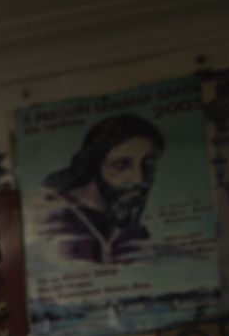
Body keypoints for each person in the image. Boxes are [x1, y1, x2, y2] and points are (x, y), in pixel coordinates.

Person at [40, 114, 164, 265]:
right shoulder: (52, 217)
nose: (139, 179)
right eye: (121, 165)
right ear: (93, 164)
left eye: (148, 165)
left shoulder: (133, 229)